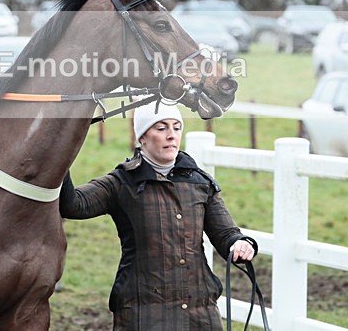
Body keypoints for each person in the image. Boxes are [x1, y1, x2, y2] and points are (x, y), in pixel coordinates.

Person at [59, 99, 258, 330]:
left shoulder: (200, 182)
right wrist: (61, 154)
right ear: (142, 137)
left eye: (176, 127)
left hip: (200, 312)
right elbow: (73, 205)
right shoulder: (121, 183)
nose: (171, 135)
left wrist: (241, 243)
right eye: (161, 128)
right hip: (144, 314)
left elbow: (227, 235)